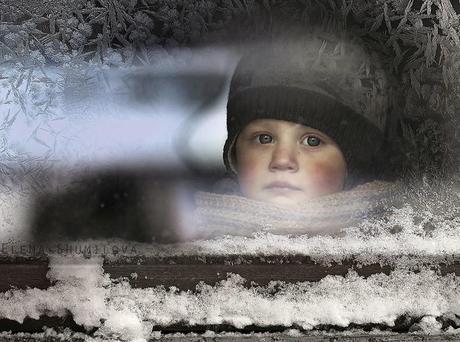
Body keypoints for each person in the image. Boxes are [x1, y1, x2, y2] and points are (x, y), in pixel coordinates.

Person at [188, 30, 399, 239]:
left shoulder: (402, 240)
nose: (282, 161)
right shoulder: (182, 235)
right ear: (234, 156)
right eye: (264, 138)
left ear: (352, 166)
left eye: (312, 141)